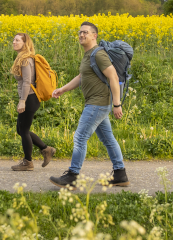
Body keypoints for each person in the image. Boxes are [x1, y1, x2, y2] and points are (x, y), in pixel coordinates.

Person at [49, 22, 128, 187]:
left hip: (97, 104)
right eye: (79, 32)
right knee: (108, 138)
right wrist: (63, 89)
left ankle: (72, 176)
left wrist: (117, 104)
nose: (81, 35)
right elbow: (81, 76)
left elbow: (113, 77)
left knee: (79, 137)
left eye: (85, 32)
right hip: (97, 103)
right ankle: (120, 175)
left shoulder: (98, 54)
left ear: (94, 35)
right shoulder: (89, 55)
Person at [10, 33, 56, 171]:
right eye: (14, 39)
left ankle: (28, 162)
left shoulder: (26, 59)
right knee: (21, 129)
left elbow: (27, 82)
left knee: (23, 130)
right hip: (29, 98)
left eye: (17, 40)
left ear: (25, 43)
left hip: (29, 98)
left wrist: (22, 101)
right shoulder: (22, 58)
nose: (14, 42)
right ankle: (46, 149)